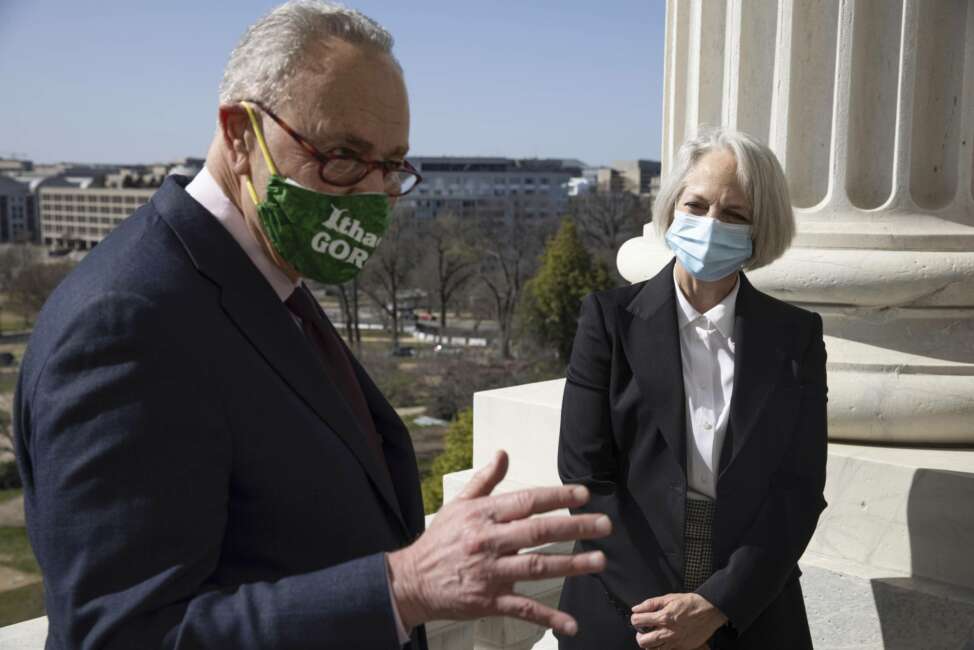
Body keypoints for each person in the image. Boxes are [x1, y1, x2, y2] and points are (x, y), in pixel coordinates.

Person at [14, 3, 611, 648]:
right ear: (240, 134)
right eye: (343, 157)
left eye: (392, 166)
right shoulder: (127, 323)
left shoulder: (263, 272)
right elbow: (121, 636)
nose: (372, 195)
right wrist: (401, 586)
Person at [556, 128, 827, 650]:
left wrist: (717, 606)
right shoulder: (607, 321)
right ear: (671, 208)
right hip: (622, 608)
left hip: (751, 611)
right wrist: (668, 618)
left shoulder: (796, 337)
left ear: (759, 227)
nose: (709, 224)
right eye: (696, 204)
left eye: (733, 213)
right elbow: (587, 477)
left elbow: (798, 489)